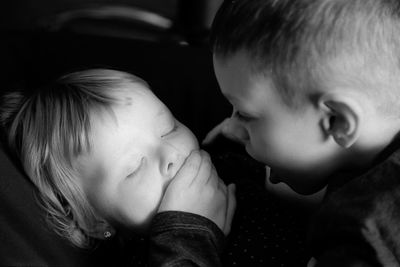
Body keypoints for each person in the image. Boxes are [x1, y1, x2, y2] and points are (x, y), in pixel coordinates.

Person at [157, 0, 400, 265]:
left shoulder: (363, 239)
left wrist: (187, 238)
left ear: (337, 122)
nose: (231, 129)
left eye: (246, 115)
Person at [0, 68, 236, 266]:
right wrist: (187, 238)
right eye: (134, 168)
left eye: (169, 129)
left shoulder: (228, 153)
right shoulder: (143, 259)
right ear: (95, 222)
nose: (171, 153)